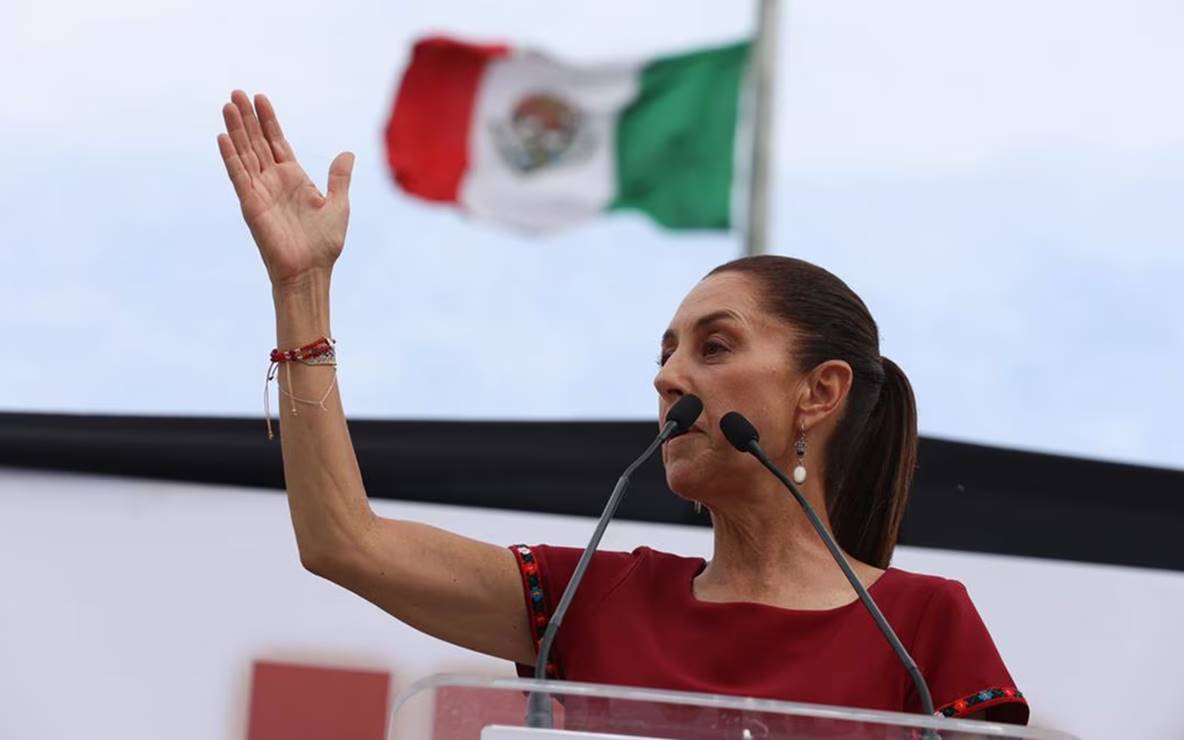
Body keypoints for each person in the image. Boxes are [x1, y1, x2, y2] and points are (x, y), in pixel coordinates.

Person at [217, 89, 1029, 725]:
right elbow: (343, 542)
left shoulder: (925, 626)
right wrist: (302, 290)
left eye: (714, 347)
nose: (669, 377)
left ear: (820, 392)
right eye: (665, 353)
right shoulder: (593, 600)